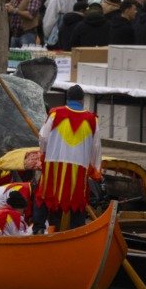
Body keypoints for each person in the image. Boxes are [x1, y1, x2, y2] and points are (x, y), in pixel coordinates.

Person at [36, 83, 101, 231]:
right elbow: (96, 147)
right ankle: (77, 232)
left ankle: (38, 229)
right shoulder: (92, 119)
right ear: (82, 100)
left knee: (45, 195)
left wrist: (43, 154)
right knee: (77, 200)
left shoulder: (55, 113)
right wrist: (95, 169)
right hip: (79, 168)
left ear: (67, 98)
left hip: (54, 164)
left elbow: (43, 137)